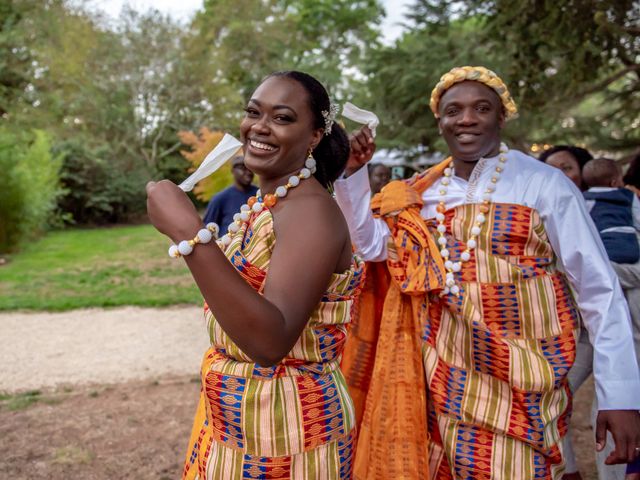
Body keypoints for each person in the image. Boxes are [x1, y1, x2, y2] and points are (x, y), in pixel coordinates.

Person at [335, 65, 640, 479]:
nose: (466, 119)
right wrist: (352, 175)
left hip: (527, 383)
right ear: (439, 120)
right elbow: (373, 247)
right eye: (453, 110)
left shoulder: (544, 184)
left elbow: (599, 292)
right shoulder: (422, 192)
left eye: (481, 108)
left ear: (502, 115)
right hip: (443, 383)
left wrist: (620, 395)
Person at [146, 70, 363, 479]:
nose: (259, 127)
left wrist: (188, 233)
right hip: (241, 416)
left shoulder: (311, 212)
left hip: (290, 427)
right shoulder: (269, 204)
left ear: (315, 135)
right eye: (253, 112)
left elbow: (270, 341)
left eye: (282, 118)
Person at [583, 157, 640, 264]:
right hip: (629, 245)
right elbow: (638, 219)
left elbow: (584, 223)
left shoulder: (585, 198)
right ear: (613, 183)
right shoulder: (628, 195)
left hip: (604, 247)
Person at [202, 154, 258, 232]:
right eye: (243, 168)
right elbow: (207, 229)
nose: (248, 172)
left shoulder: (260, 194)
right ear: (233, 171)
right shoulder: (220, 199)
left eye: (250, 169)